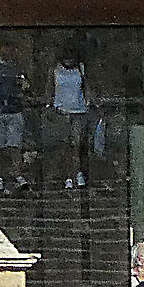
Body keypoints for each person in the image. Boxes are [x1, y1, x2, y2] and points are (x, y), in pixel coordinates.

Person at [0, 42, 28, 192]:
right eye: (4, 49)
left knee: (15, 146)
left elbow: (25, 86)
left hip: (14, 110)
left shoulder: (18, 68)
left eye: (10, 49)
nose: (7, 52)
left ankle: (17, 175)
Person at [49, 43, 91, 190]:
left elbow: (87, 88)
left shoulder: (81, 68)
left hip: (79, 110)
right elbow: (50, 89)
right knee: (65, 145)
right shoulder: (55, 70)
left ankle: (78, 173)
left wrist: (90, 102)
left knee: (76, 144)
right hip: (61, 111)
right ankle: (67, 176)